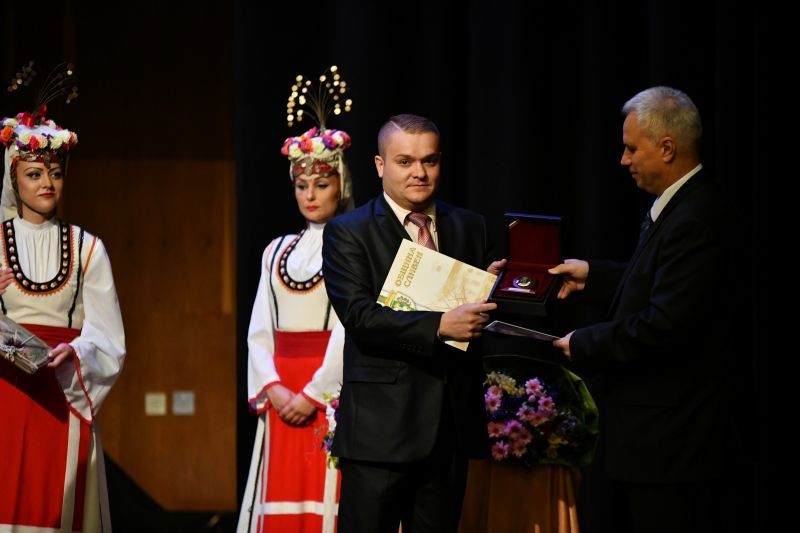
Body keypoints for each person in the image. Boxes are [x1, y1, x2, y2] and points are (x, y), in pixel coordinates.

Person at [549, 86, 736, 533]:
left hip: (674, 448)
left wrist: (583, 343)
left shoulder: (696, 217)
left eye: (632, 148)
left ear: (667, 148)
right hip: (656, 444)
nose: (623, 160)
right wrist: (593, 275)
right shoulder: (680, 206)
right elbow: (655, 281)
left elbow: (663, 324)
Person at [322, 113, 506, 533]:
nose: (419, 172)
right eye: (404, 161)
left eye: (430, 160)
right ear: (380, 165)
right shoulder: (348, 231)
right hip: (379, 434)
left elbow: (481, 316)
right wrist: (439, 326)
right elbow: (360, 316)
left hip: (449, 429)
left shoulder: (469, 225)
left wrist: (497, 290)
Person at [0, 107, 126, 532]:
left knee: (58, 506)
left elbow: (108, 337)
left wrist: (76, 352)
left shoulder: (88, 248)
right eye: (34, 174)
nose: (47, 184)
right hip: (5, 396)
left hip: (63, 393)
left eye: (55, 173)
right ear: (14, 178)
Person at [237, 123, 353, 532]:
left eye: (321, 184)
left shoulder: (351, 248)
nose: (310, 195)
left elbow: (347, 328)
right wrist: (272, 386)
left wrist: (314, 394)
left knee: (324, 493)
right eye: (302, 186)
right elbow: (259, 329)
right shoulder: (276, 251)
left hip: (325, 391)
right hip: (282, 392)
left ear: (340, 185)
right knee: (280, 492)